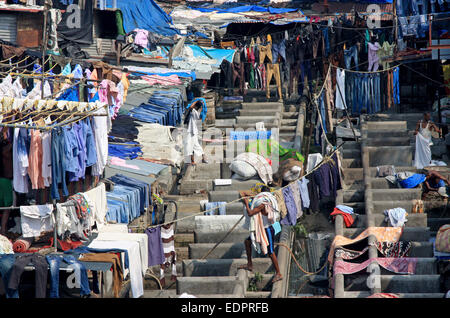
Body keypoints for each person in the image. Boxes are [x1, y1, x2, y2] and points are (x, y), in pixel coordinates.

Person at [238, 186, 283, 283]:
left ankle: (278, 273)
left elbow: (250, 213)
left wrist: (246, 202)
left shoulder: (263, 204)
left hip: (267, 230)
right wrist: (251, 195)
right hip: (261, 229)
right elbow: (242, 192)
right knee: (247, 242)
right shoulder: (264, 200)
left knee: (270, 251)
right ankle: (249, 264)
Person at [184, 99, 208, 165]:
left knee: (189, 146)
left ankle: (193, 161)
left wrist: (196, 101)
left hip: (191, 132)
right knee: (195, 146)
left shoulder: (194, 112)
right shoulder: (198, 113)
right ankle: (202, 158)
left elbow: (190, 107)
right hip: (192, 132)